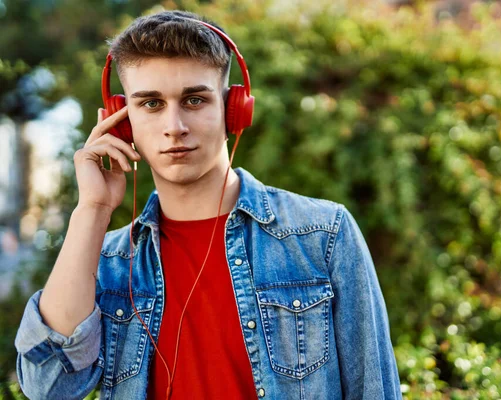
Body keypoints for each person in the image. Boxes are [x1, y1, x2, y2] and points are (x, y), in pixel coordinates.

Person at [14, 10, 402, 400]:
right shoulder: (109, 261)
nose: (174, 126)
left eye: (194, 99)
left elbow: (376, 390)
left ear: (234, 109)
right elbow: (49, 387)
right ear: (122, 122)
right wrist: (93, 210)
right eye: (150, 104)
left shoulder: (322, 235)